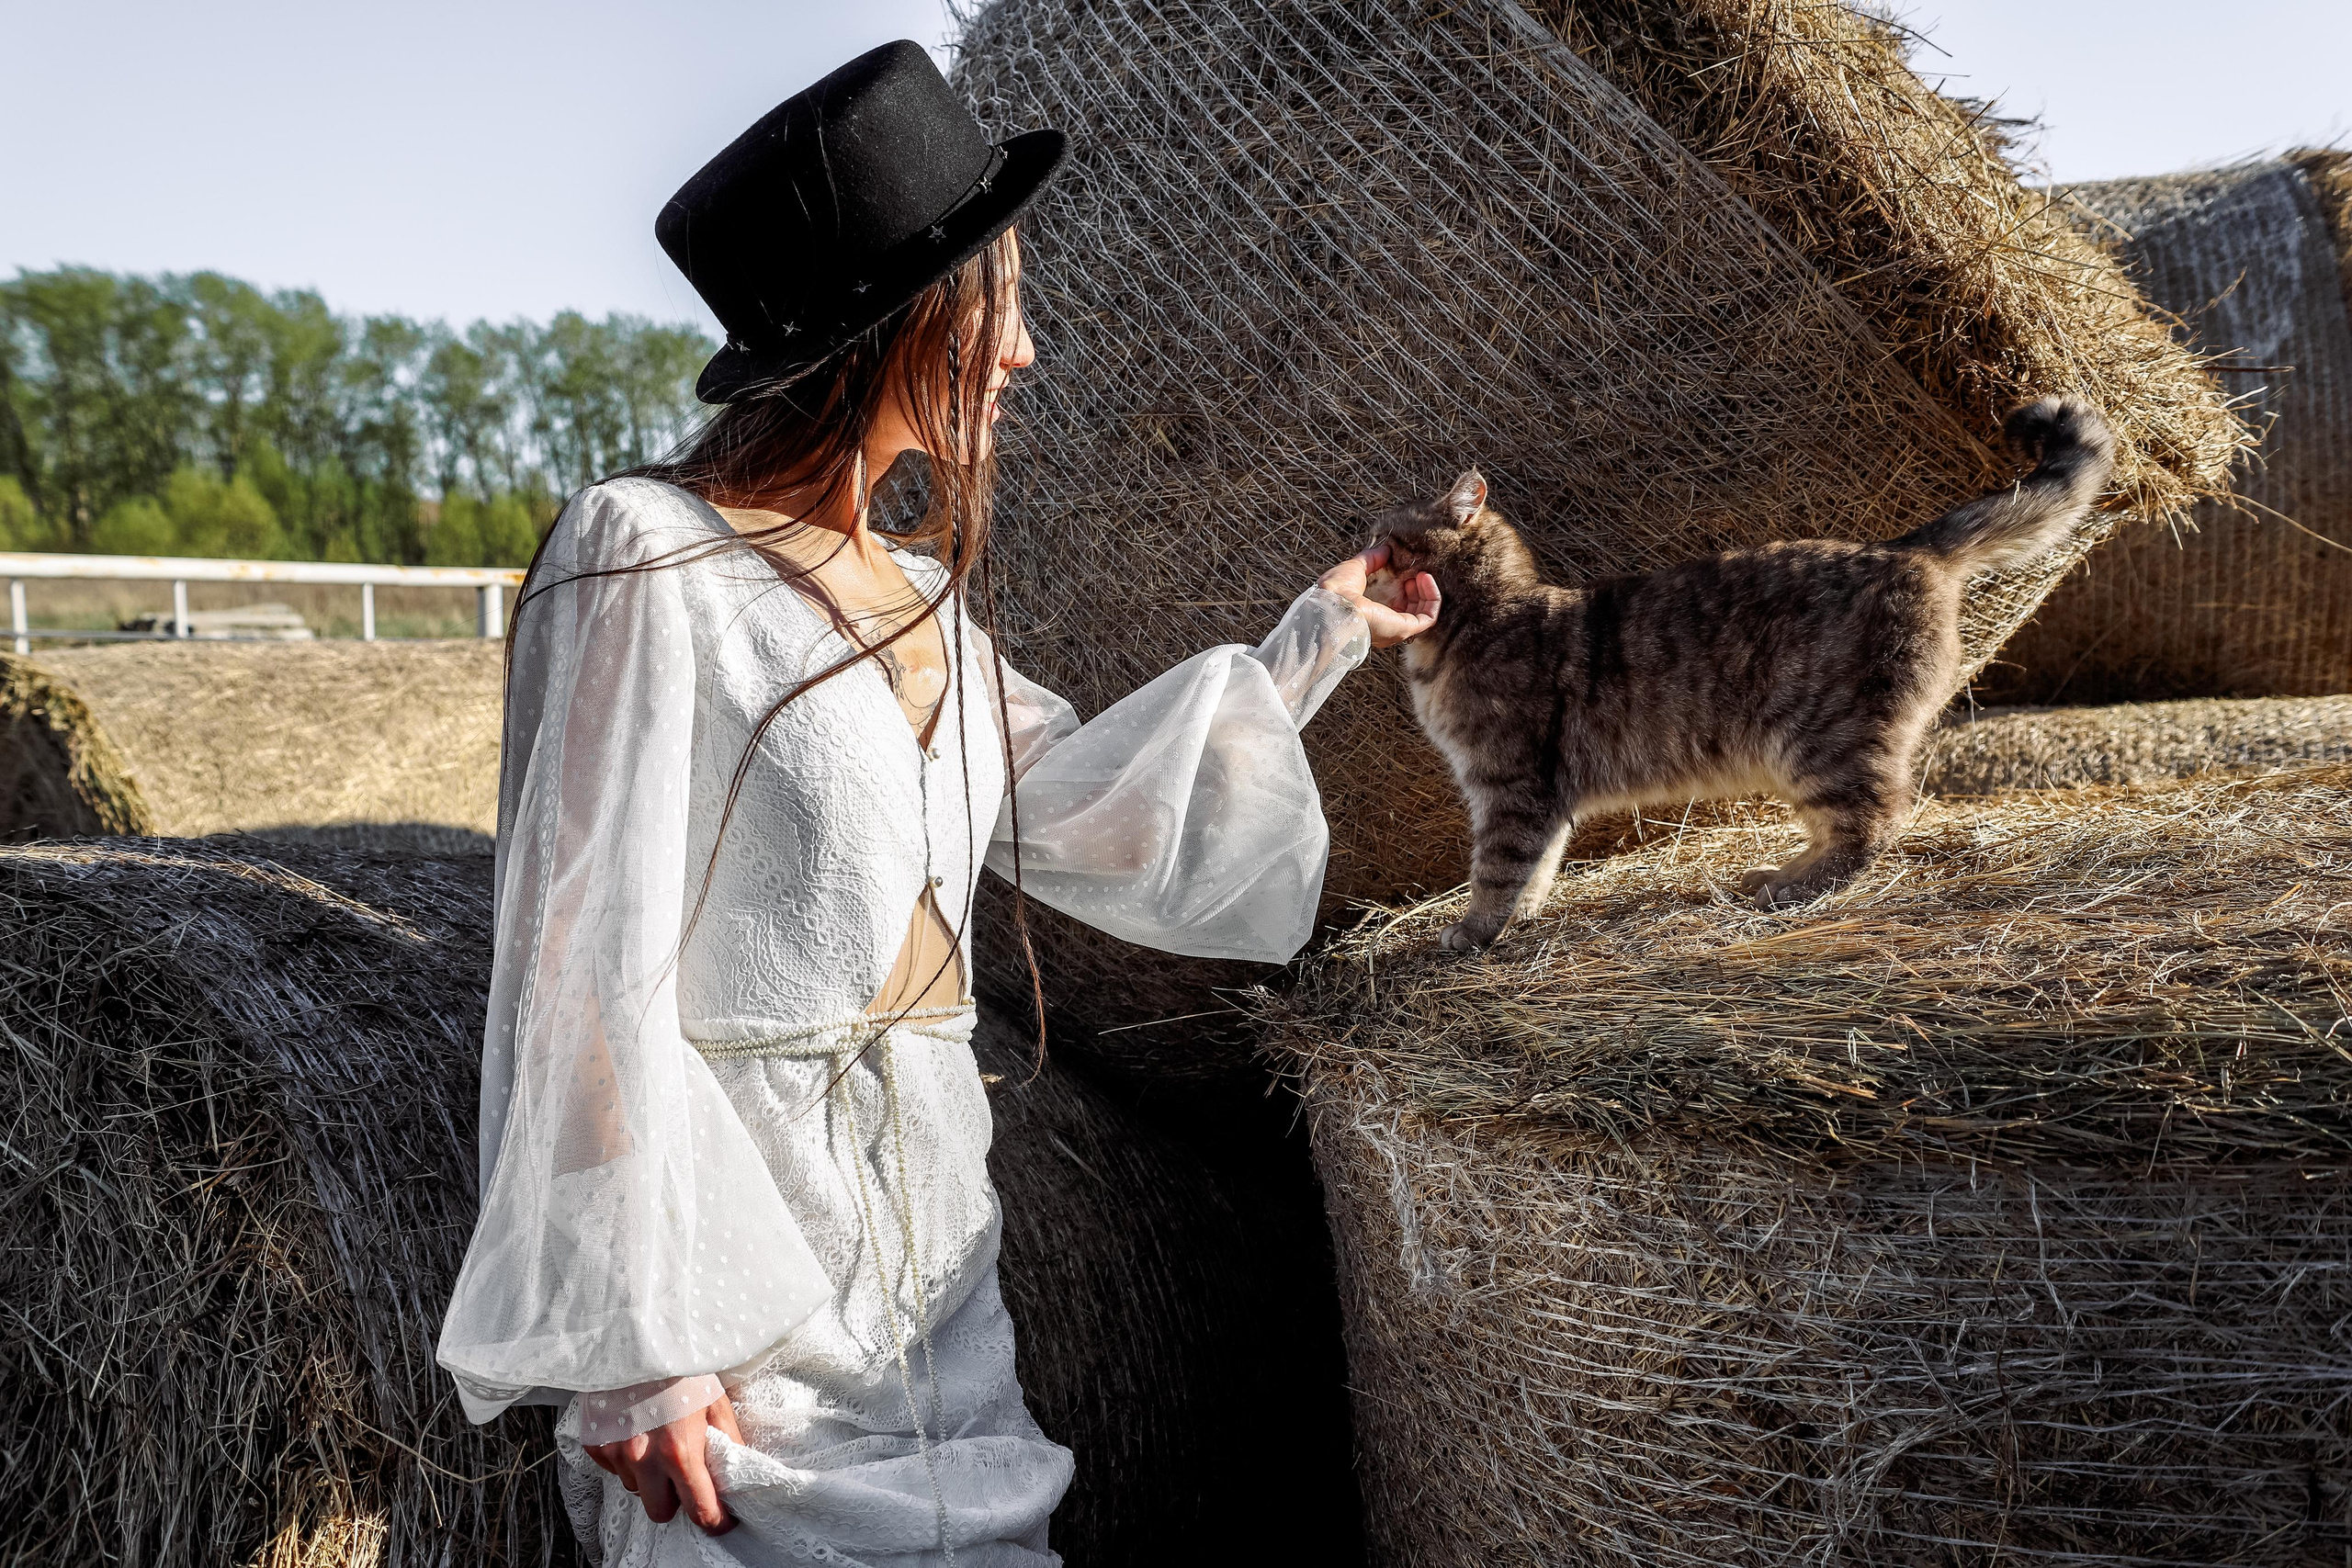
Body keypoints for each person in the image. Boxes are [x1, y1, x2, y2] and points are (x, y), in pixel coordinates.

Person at [435, 39, 1439, 1567]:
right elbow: (583, 957)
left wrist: (1325, 633)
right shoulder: (640, 553)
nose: (1026, 353)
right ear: (900, 316)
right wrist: (636, 1338)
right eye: (1005, 300)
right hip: (739, 1273)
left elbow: (1091, 805)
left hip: (940, 1272)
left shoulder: (920, 598)